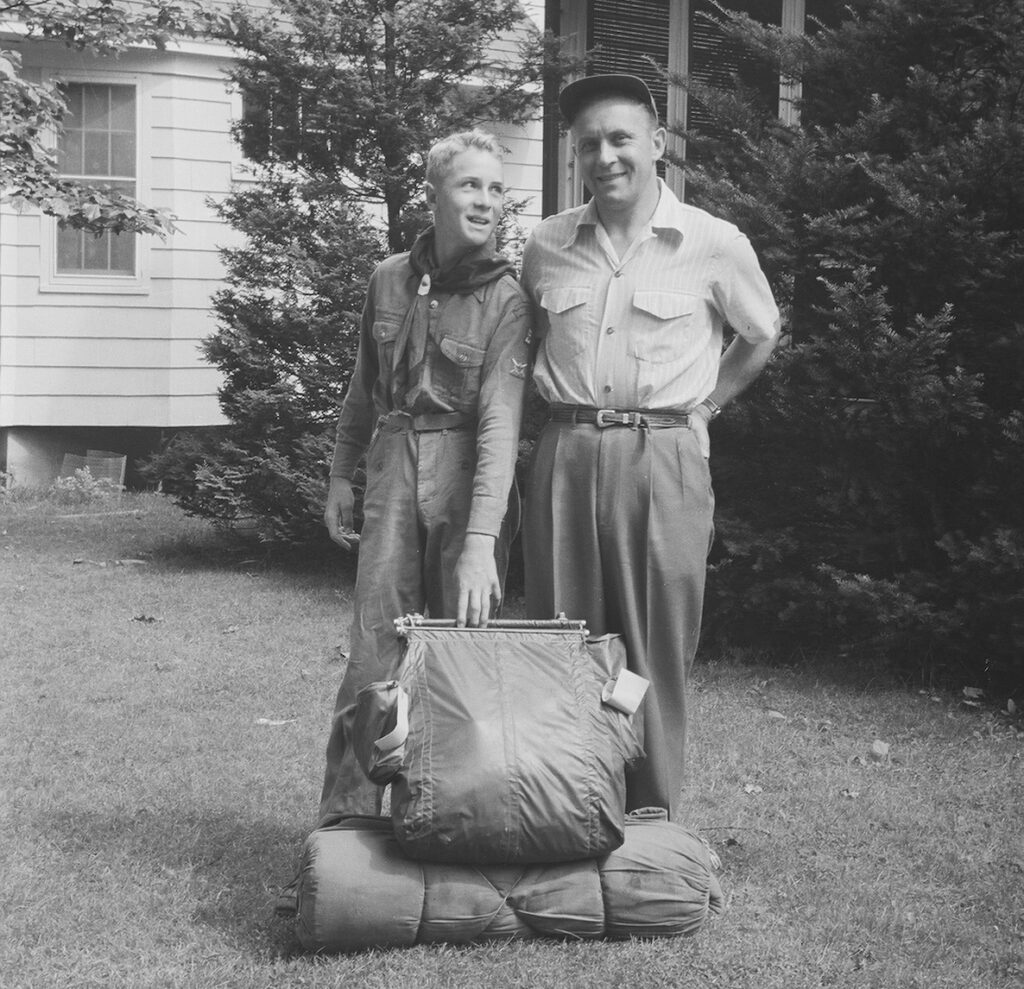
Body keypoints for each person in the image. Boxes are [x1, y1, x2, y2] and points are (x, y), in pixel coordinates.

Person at [521, 75, 780, 820]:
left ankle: (651, 821)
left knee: (653, 645)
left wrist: (706, 408)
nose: (605, 156)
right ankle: (565, 809)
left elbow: (760, 335)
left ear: (657, 145)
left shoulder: (713, 243)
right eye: (589, 144)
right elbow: (527, 346)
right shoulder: (547, 245)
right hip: (566, 451)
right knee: (564, 636)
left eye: (620, 138)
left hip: (661, 458)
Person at [318, 129, 531, 827]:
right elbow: (361, 389)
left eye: (496, 189)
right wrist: (341, 475)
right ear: (434, 192)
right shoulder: (389, 278)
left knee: (461, 653)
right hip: (393, 462)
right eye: (471, 185)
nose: (486, 201)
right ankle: (346, 824)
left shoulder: (508, 297)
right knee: (373, 650)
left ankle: (450, 821)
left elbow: (501, 426)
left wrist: (480, 540)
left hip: (466, 470)